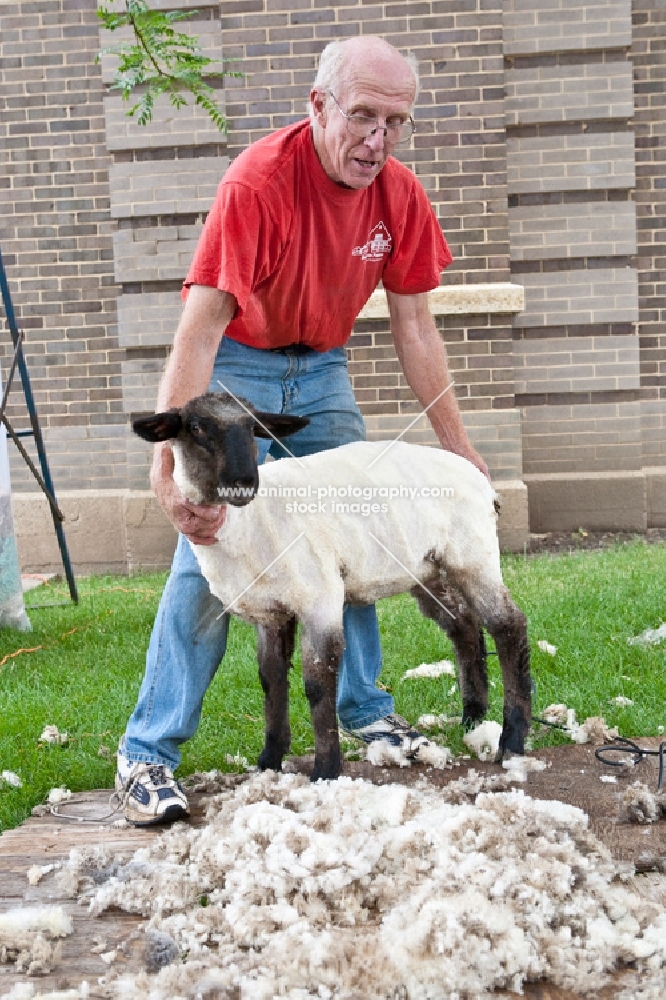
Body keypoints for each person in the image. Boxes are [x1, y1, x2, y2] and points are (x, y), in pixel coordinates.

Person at [115, 35, 490, 826]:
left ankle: (366, 712)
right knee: (207, 549)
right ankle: (147, 754)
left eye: (396, 122)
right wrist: (167, 463)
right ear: (318, 107)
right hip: (239, 368)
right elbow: (203, 322)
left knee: (353, 530)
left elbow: (416, 328)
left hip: (321, 370)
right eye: (362, 116)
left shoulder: (399, 195)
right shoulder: (257, 182)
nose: (377, 140)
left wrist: (460, 453)